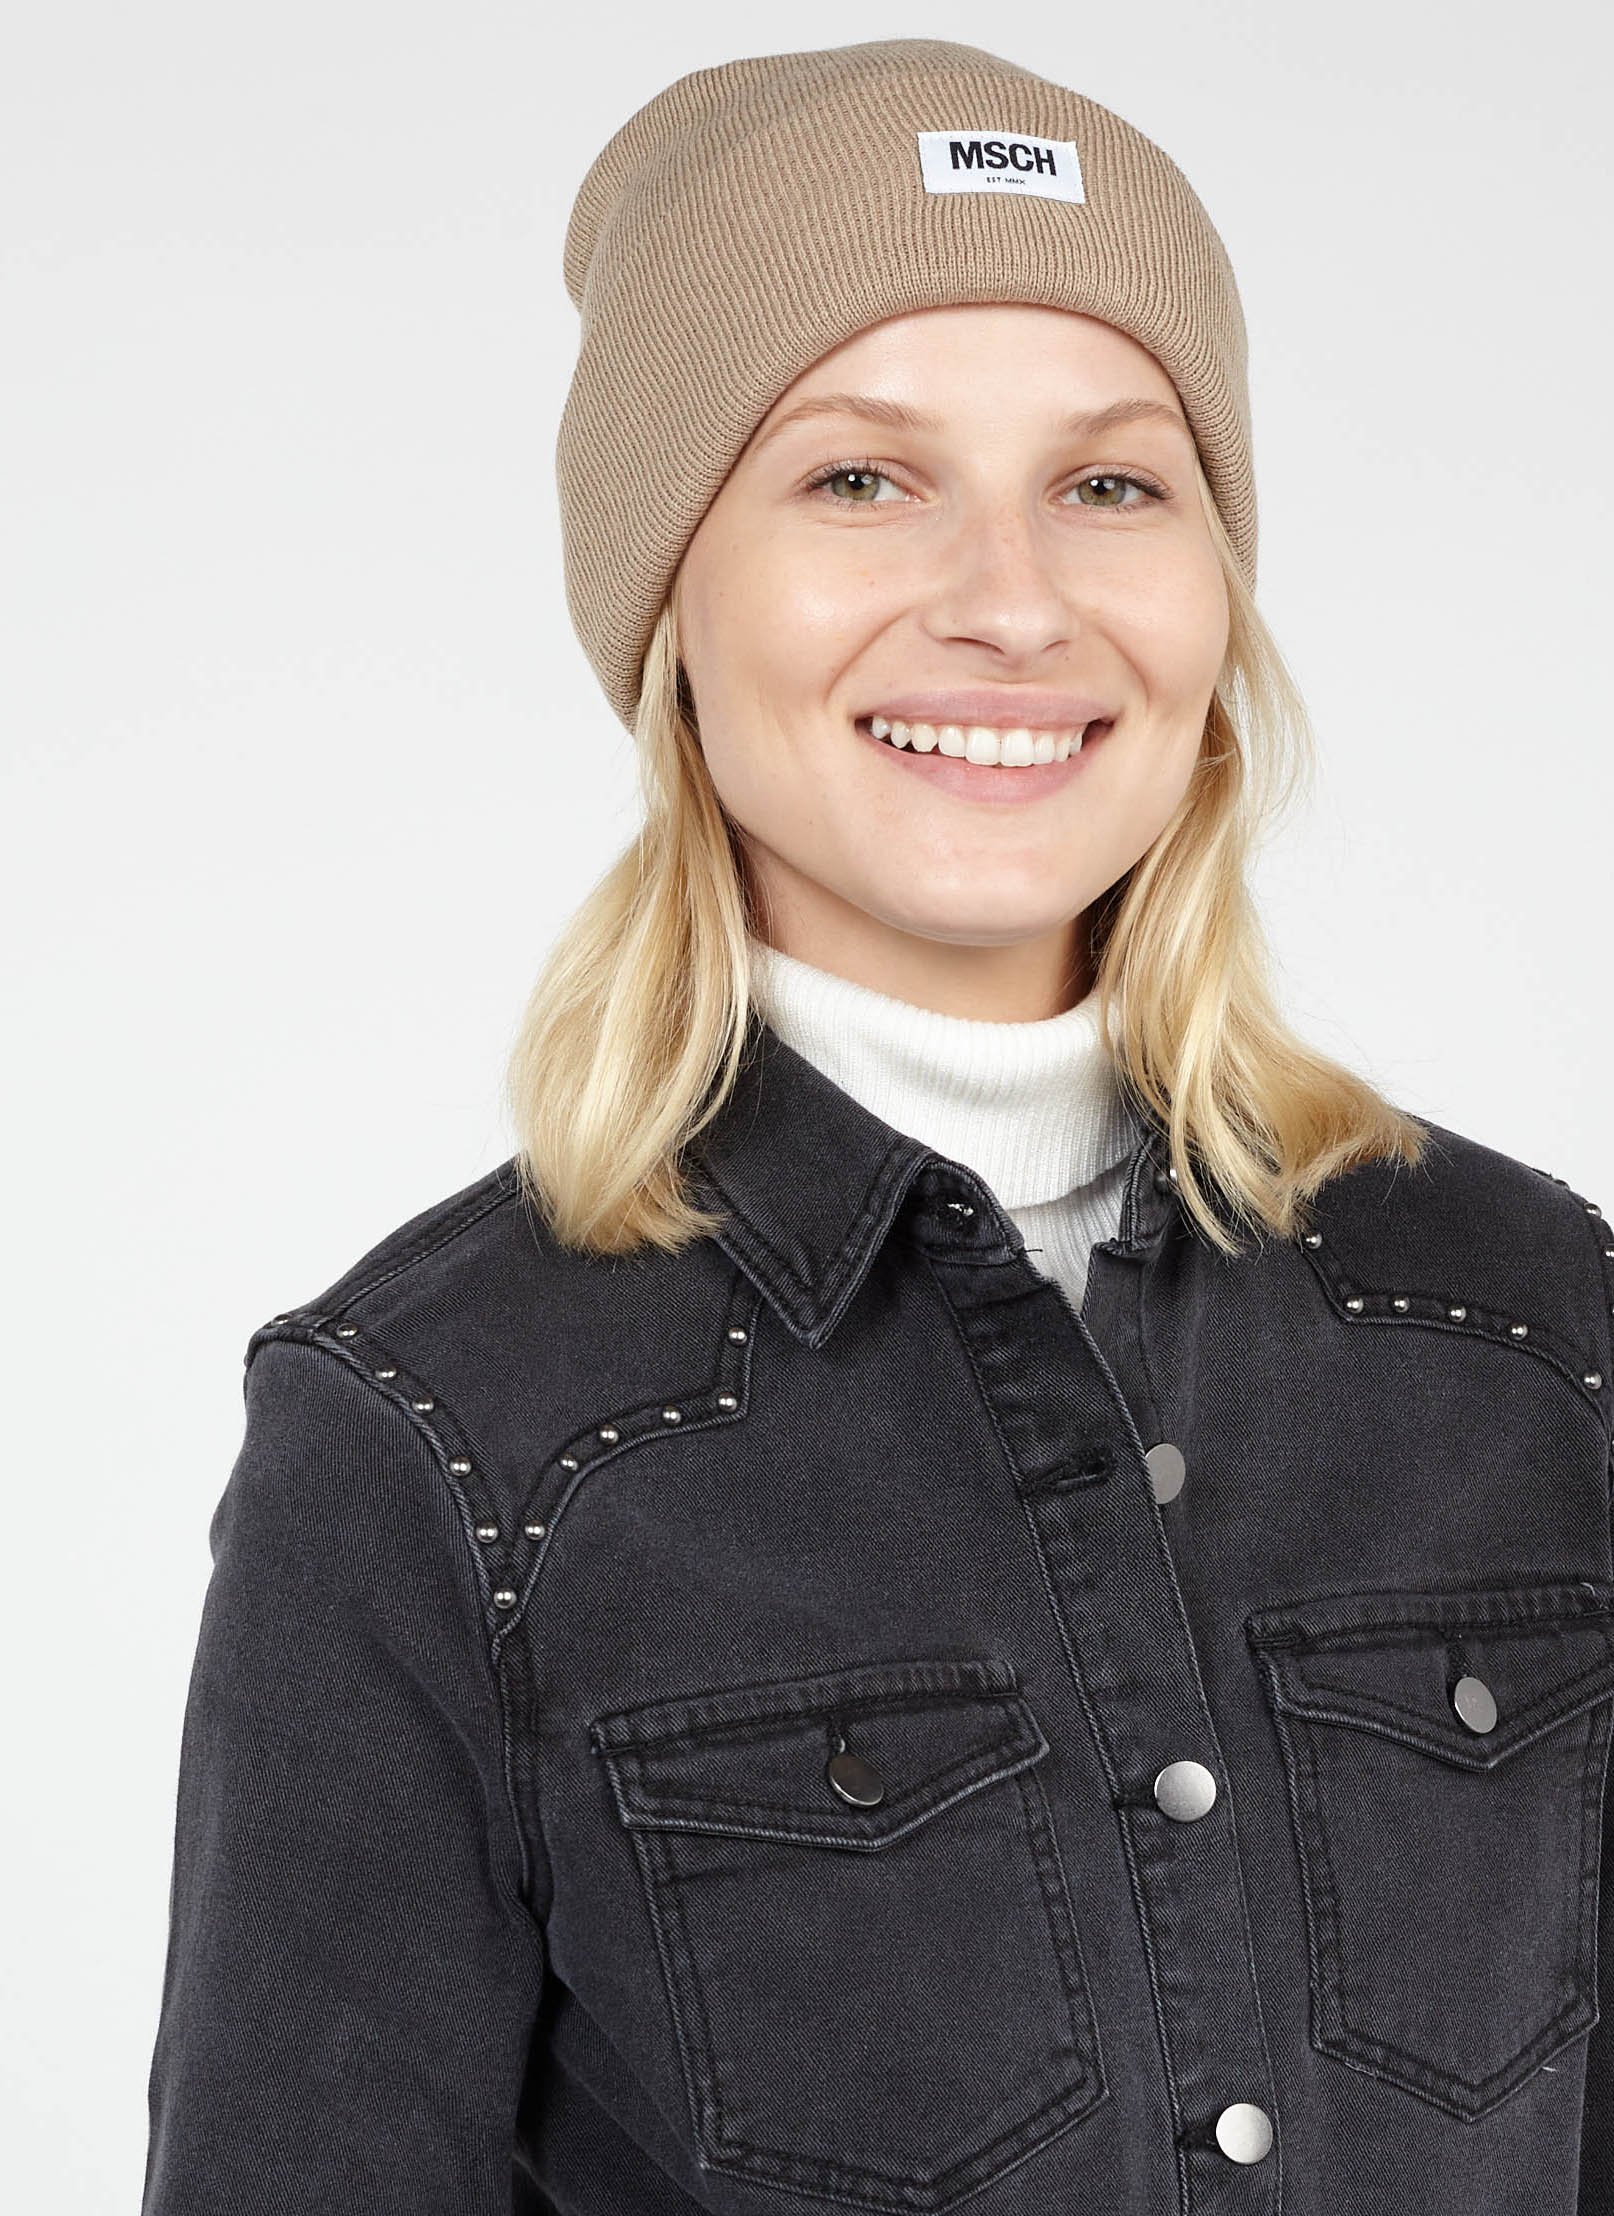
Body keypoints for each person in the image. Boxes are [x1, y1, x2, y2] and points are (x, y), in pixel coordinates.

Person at [141, 38, 1614, 2215]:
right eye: (859, 477)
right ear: (672, 597)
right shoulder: (434, 1442)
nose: (1012, 600)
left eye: (1111, 484)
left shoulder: (1536, 1326)